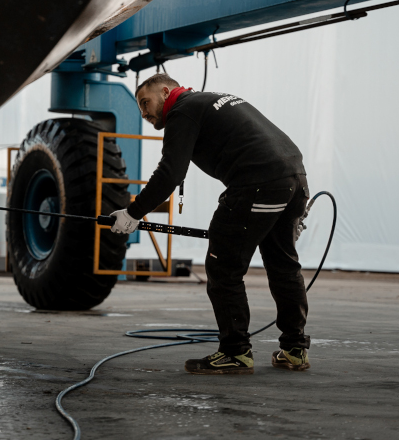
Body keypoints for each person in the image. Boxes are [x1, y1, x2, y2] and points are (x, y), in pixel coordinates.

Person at [110, 73, 311, 375]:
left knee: (223, 266)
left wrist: (133, 212)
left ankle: (235, 353)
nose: (143, 113)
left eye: (145, 102)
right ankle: (295, 350)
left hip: (257, 182)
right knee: (283, 264)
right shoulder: (208, 101)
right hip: (293, 175)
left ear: (166, 92)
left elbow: (170, 172)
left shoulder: (183, 110)